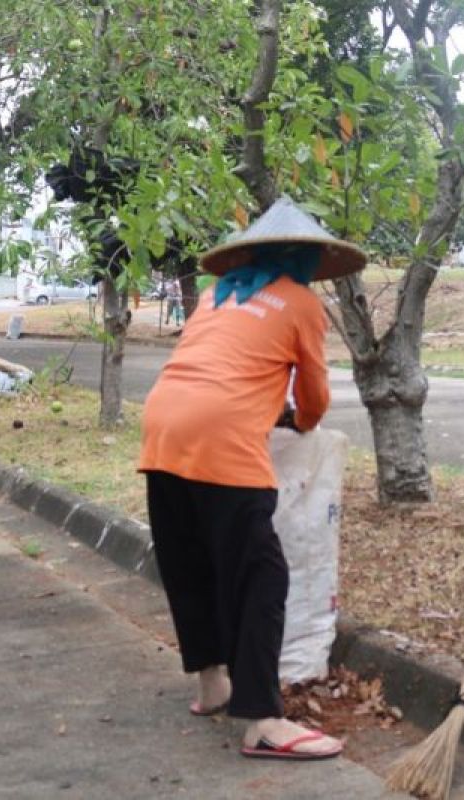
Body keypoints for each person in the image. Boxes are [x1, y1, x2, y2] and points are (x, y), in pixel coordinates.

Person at [138, 198, 366, 761]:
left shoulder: (219, 294)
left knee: (192, 563)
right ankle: (264, 720)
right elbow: (312, 394)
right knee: (261, 575)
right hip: (222, 438)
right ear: (305, 258)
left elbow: (223, 361)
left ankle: (213, 682)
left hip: (162, 426)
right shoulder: (300, 301)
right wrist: (302, 424)